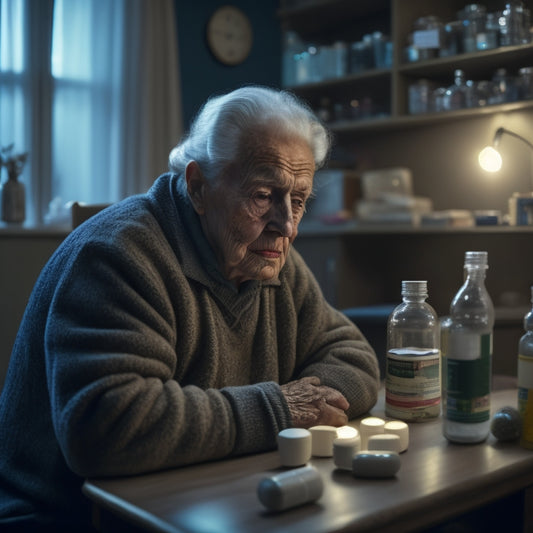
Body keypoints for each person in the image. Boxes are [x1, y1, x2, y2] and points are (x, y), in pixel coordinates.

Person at [0, 86, 380, 531]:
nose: (287, 226)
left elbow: (354, 359)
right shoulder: (118, 255)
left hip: (209, 496)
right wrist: (280, 407)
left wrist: (301, 403)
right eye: (262, 195)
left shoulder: (269, 256)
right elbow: (110, 427)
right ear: (198, 186)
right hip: (68, 517)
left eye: (299, 200)